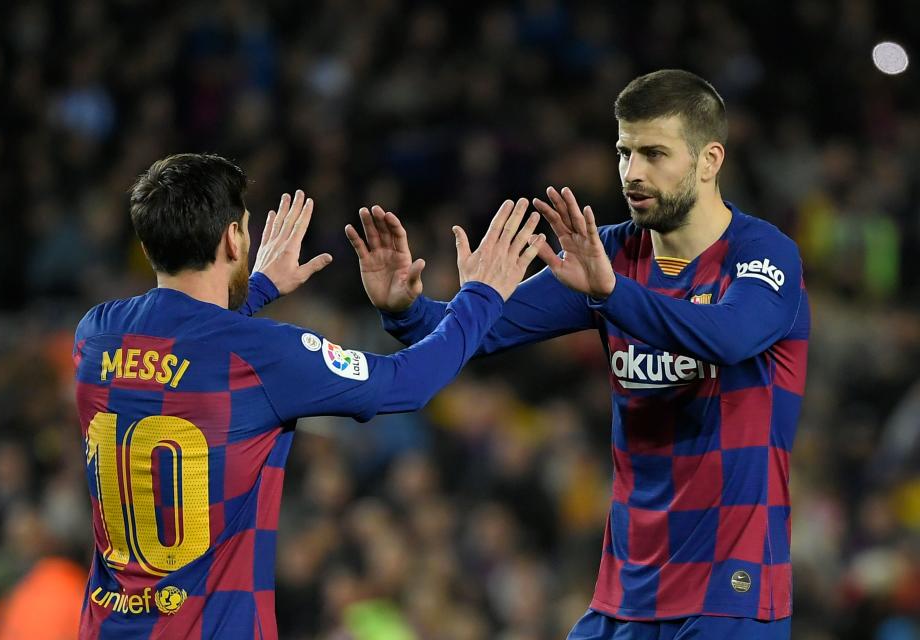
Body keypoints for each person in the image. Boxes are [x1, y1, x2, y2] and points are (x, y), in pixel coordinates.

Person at [347, 69, 809, 640]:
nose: (632, 173)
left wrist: (612, 293)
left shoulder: (763, 254)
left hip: (730, 596)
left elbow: (732, 335)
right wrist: (408, 311)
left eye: (655, 154)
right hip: (626, 596)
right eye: (624, 152)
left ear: (710, 160)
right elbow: (481, 332)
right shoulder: (608, 255)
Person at [72, 152, 544, 639]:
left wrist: (258, 288)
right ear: (233, 238)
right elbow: (408, 382)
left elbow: (189, 346)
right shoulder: (264, 355)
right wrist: (483, 296)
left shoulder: (94, 337)